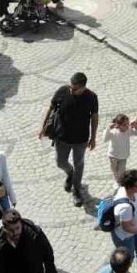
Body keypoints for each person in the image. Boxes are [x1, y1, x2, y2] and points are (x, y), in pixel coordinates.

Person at [39, 72, 100, 206]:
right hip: (62, 137)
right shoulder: (63, 91)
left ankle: (76, 189)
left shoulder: (91, 97)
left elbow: (94, 117)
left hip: (81, 139)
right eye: (71, 87)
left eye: (75, 89)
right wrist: (43, 126)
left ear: (83, 87)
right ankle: (70, 173)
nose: (71, 90)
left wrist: (93, 137)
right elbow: (51, 107)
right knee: (60, 162)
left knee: (79, 164)